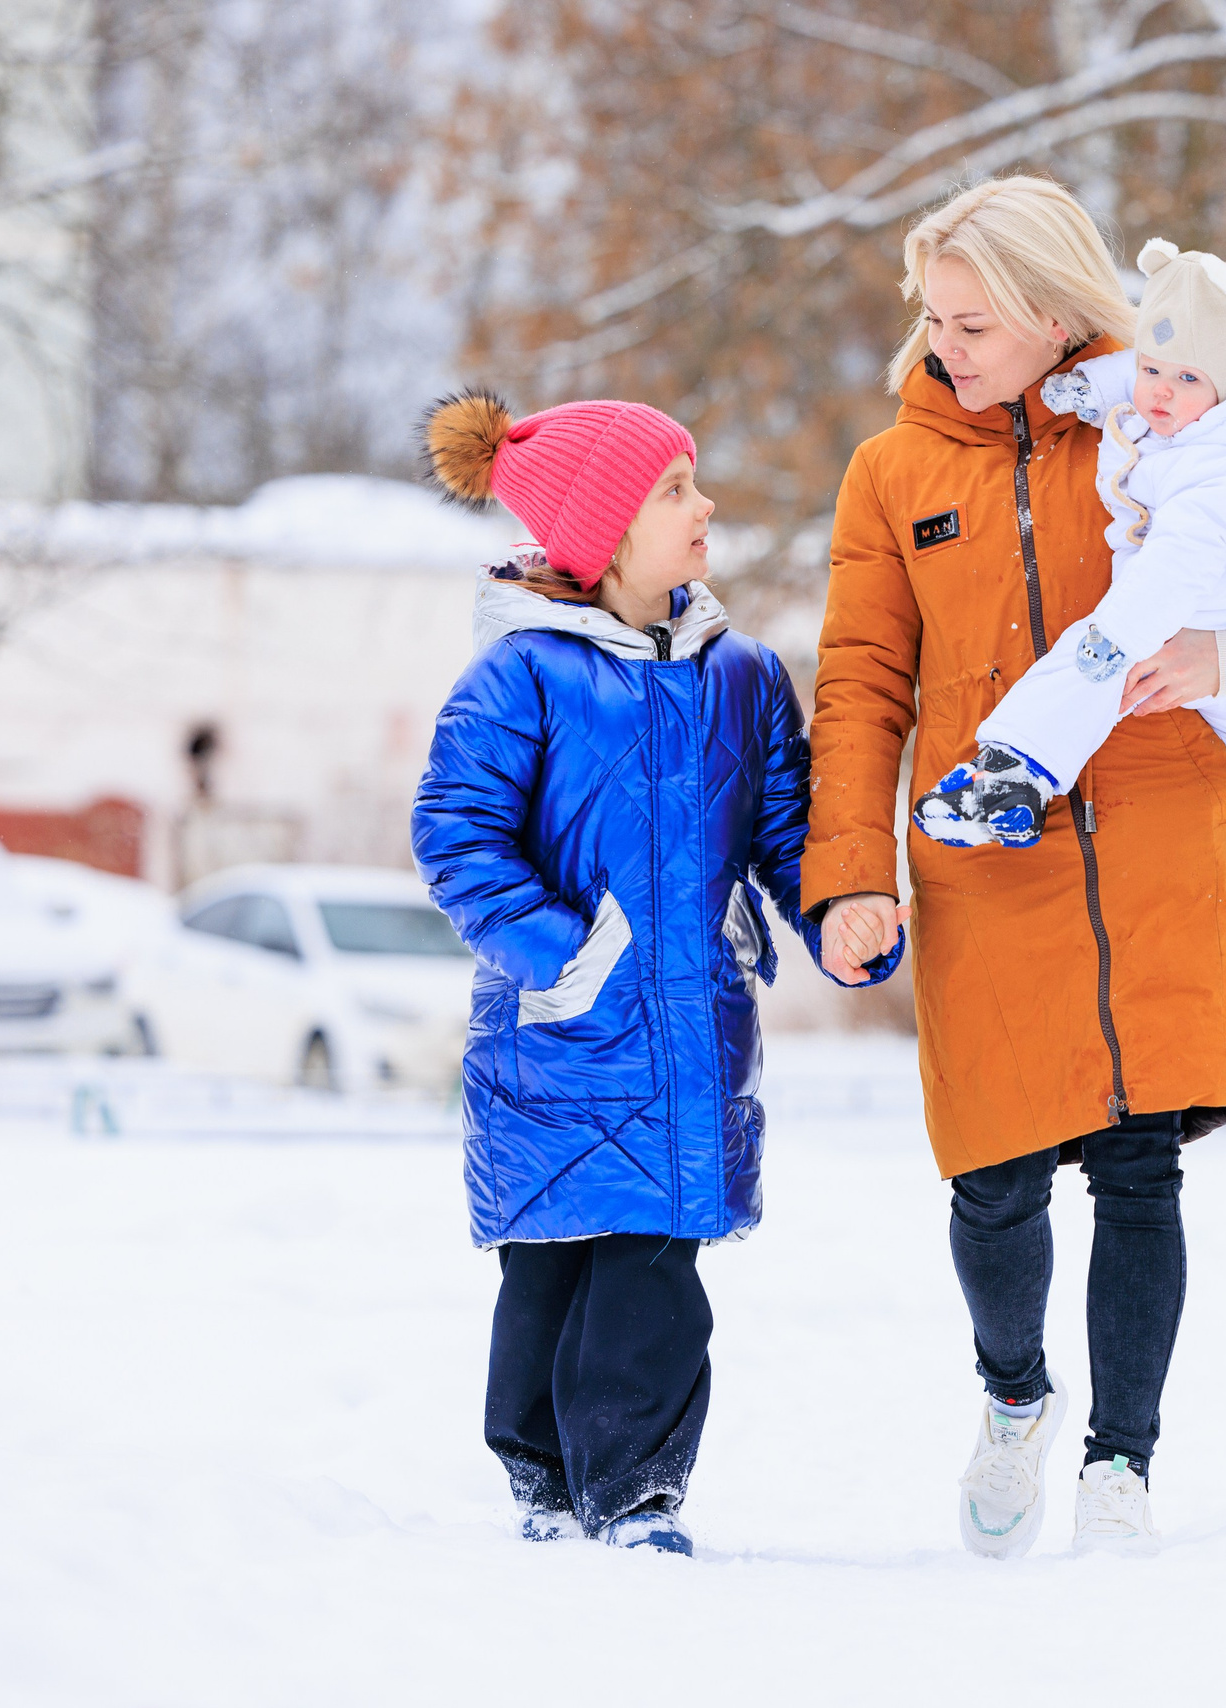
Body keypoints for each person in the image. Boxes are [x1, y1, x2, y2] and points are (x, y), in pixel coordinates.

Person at [802, 176, 1226, 1557]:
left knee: (1140, 1170)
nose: (947, 345)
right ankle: (1016, 1399)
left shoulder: (1163, 426)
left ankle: (1122, 1465)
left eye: (976, 321)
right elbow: (862, 681)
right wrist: (848, 873)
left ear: (1059, 314)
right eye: (934, 319)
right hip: (984, 851)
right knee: (994, 1179)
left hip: (1159, 846)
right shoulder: (894, 473)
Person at [411, 389, 901, 1558]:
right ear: (602, 530)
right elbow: (458, 837)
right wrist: (565, 955)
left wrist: (832, 905)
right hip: (559, 1029)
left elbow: (786, 825)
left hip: (687, 1030)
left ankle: (634, 1487)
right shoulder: (521, 677)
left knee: (653, 1268)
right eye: (674, 488)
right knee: (549, 1260)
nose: (704, 505)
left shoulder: (741, 676)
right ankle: (538, 1469)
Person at [912, 236, 1226, 961]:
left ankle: (1013, 773)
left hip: (1213, 592)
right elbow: (1156, 367)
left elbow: (1183, 572)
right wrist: (1098, 387)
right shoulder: (1188, 395)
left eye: (973, 326)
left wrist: (1135, 635)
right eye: (1150, 371)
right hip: (1214, 587)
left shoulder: (1225, 468)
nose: (1157, 394)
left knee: (1093, 669)